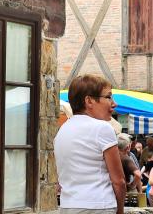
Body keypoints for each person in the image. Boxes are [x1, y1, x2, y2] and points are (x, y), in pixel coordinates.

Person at [54, 74, 126, 214]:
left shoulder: (61, 131)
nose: (114, 103)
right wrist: (120, 210)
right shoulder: (102, 128)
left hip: (68, 206)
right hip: (98, 205)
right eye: (108, 97)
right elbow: (119, 181)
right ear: (89, 101)